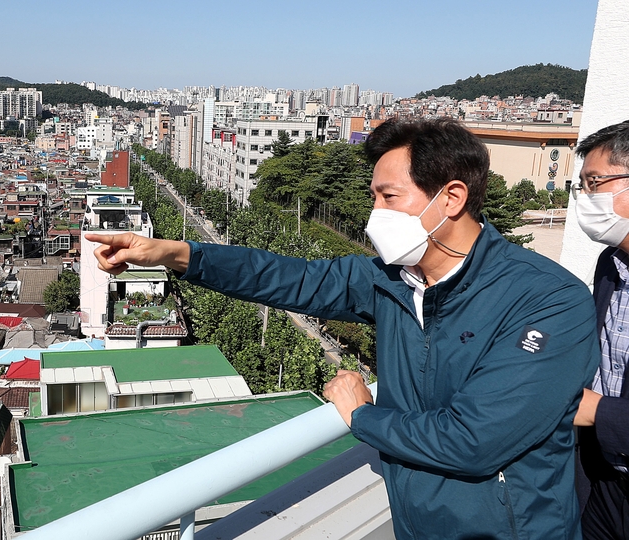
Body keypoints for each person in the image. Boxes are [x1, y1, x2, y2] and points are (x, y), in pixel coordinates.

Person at [86, 118, 599, 540]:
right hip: (416, 524)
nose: (374, 215)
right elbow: (288, 278)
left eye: (388, 196)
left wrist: (362, 416)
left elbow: (472, 441)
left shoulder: (547, 301)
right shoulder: (395, 281)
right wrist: (179, 254)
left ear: (452, 197)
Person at [572, 120, 629, 539]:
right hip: (603, 479)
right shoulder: (610, 264)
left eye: (594, 182)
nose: (585, 198)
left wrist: (594, 411)